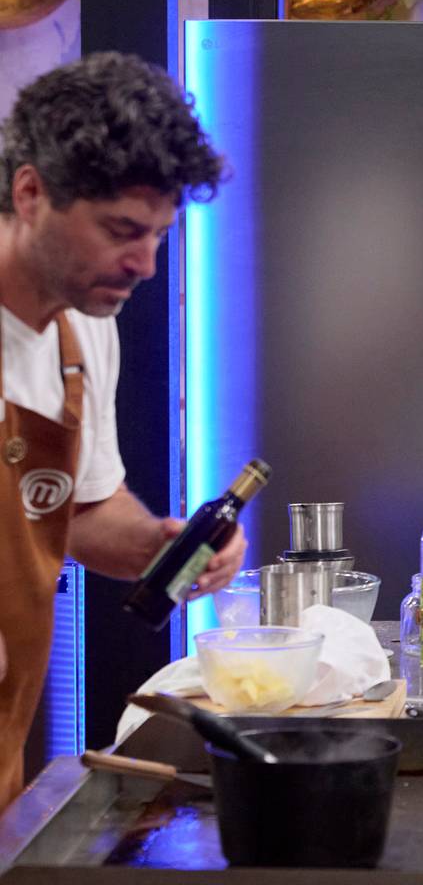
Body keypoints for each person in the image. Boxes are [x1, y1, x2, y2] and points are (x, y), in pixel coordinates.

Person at [0, 53, 244, 807]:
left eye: (160, 235)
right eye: (121, 231)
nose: (145, 264)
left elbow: (79, 509)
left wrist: (163, 549)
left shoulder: (82, 332)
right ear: (31, 193)